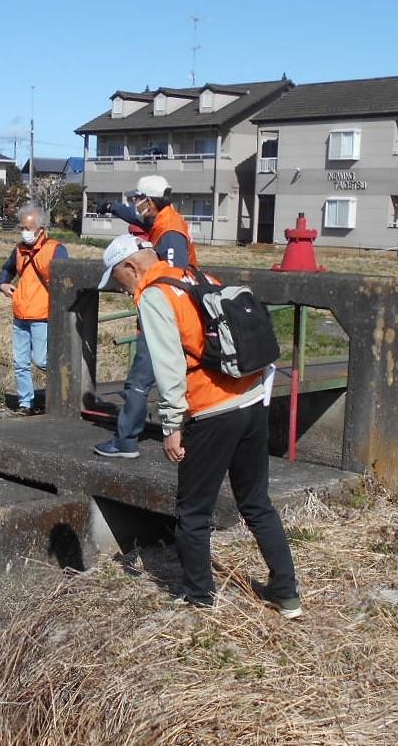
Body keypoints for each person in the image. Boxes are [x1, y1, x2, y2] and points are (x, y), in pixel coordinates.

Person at [96, 234, 301, 617]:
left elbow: (169, 366)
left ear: (131, 267)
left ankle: (199, 598)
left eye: (118, 280)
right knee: (256, 502)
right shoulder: (196, 275)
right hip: (251, 398)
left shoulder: (155, 294)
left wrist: (171, 425)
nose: (121, 289)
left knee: (193, 512)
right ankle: (287, 593)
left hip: (211, 410)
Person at [93, 176, 196, 459]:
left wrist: (157, 310)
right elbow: (136, 217)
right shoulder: (165, 220)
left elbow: (174, 279)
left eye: (138, 199)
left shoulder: (170, 232)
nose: (135, 205)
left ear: (149, 201)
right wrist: (112, 208)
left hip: (166, 317)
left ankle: (126, 440)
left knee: (140, 380)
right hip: (173, 315)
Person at [0, 205, 67, 415]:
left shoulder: (55, 249)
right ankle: (25, 403)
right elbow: (7, 269)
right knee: (20, 362)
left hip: (42, 315)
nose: (23, 232)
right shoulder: (19, 250)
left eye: (27, 228)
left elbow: (66, 280)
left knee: (42, 360)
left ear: (40, 229)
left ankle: (63, 392)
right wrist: (2, 284)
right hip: (20, 313)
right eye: (22, 228)